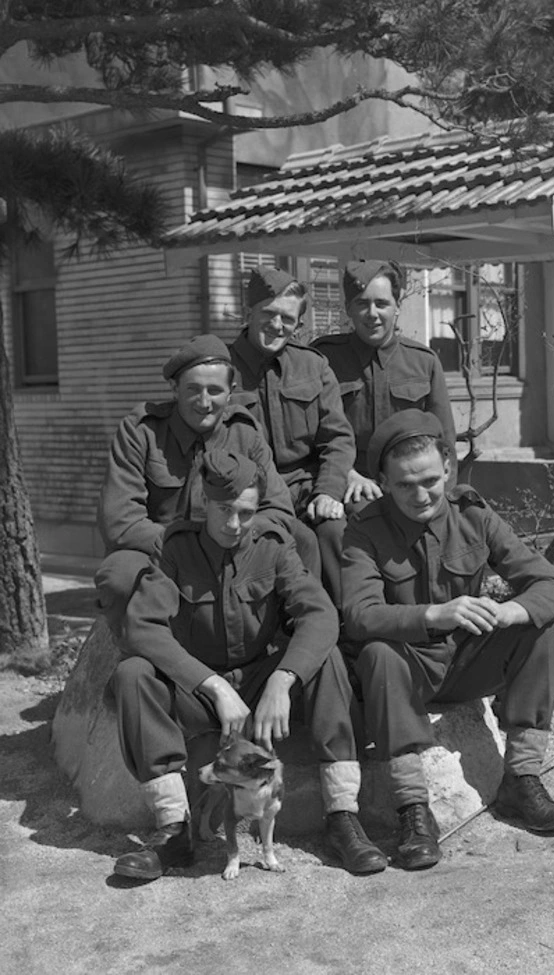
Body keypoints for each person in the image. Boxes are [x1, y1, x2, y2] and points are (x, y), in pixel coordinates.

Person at [111, 450, 386, 880]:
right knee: (133, 674)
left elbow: (318, 614)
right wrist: (212, 686)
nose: (233, 524)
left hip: (260, 685)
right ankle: (173, 831)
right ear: (205, 501)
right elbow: (142, 628)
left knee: (326, 658)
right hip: (198, 689)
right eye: (223, 510)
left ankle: (342, 817)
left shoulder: (273, 546)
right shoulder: (175, 547)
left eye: (245, 512)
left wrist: (283, 678)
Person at [341, 410, 554, 871]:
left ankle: (521, 779)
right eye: (405, 484)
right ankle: (413, 811)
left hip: (466, 663)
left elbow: (552, 586)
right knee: (377, 652)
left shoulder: (473, 515)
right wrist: (433, 614)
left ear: (447, 468)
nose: (421, 494)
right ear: (384, 482)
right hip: (406, 671)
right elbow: (359, 615)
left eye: (429, 479)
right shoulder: (363, 530)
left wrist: (511, 611)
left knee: (539, 626)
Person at [95, 333, 299, 634]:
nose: (204, 403)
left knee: (302, 544)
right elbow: (120, 523)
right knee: (119, 576)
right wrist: (193, 547)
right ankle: (139, 658)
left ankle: (276, 650)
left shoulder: (245, 433)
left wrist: (230, 539)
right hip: (160, 550)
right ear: (174, 388)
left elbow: (279, 511)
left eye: (215, 391)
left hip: (233, 542)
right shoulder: (142, 432)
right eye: (193, 390)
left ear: (230, 393)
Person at [229, 266, 356, 607]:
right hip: (247, 496)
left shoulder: (313, 366)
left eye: (288, 319)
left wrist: (328, 491)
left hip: (305, 490)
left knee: (336, 532)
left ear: (299, 324)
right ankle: (302, 630)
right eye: (268, 314)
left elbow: (338, 438)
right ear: (249, 313)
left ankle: (347, 632)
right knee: (295, 544)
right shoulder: (221, 368)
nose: (277, 325)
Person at [313, 259, 457, 508]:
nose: (372, 314)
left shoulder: (423, 362)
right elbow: (311, 435)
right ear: (348, 308)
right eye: (362, 303)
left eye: (382, 304)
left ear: (397, 307)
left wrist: (442, 500)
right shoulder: (324, 360)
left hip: (412, 488)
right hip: (349, 487)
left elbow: (445, 443)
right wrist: (345, 475)